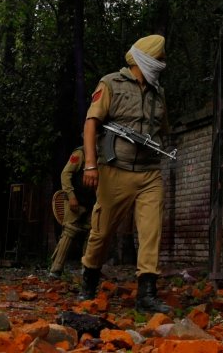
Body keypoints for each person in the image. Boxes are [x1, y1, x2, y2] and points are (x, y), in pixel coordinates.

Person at [78, 34, 172, 314]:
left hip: (149, 173)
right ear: (147, 59)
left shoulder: (158, 93)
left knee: (151, 231)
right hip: (114, 171)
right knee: (101, 231)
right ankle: (88, 283)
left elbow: (163, 129)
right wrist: (91, 164)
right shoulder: (111, 84)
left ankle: (147, 293)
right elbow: (91, 124)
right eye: (160, 58)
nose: (163, 63)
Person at [48, 146, 95, 279]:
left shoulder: (103, 156)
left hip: (91, 202)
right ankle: (55, 270)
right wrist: (71, 195)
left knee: (91, 233)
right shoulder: (80, 154)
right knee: (69, 232)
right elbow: (66, 174)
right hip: (76, 200)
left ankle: (86, 270)